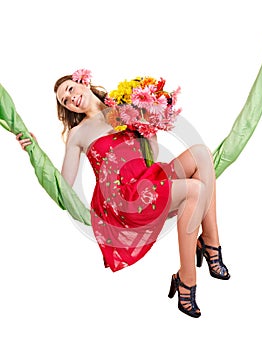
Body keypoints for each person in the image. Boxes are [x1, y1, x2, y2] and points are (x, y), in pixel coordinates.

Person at [16, 70, 230, 319]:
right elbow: (64, 185)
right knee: (196, 190)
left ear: (83, 83)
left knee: (202, 154)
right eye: (64, 100)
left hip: (147, 179)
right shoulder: (77, 135)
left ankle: (210, 242)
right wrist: (34, 151)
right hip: (123, 199)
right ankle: (187, 279)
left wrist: (148, 128)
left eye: (70, 89)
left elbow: (150, 153)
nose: (70, 98)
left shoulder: (123, 107)